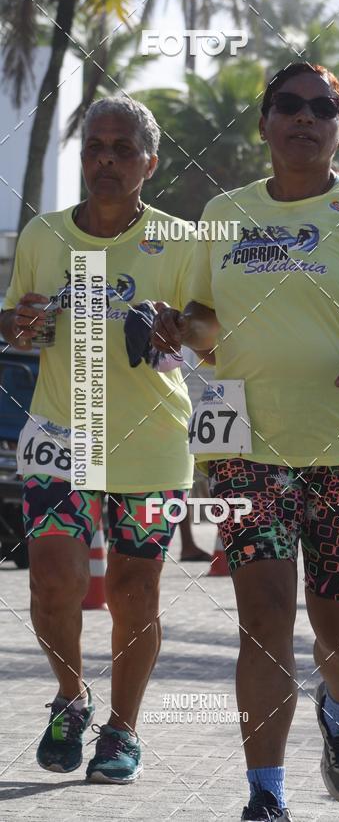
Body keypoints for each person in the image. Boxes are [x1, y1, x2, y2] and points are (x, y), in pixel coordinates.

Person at [153, 62, 339, 821]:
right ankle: (265, 795)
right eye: (289, 105)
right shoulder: (223, 214)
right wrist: (175, 329)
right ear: (264, 122)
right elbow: (201, 321)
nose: (305, 117)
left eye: (324, 108)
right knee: (262, 623)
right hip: (247, 450)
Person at [0, 96, 217, 784]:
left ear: (149, 165)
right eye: (96, 146)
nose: (106, 160)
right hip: (60, 432)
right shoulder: (43, 235)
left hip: (150, 442)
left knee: (134, 591)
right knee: (52, 586)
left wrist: (178, 326)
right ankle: (71, 699)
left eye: (124, 150)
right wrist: (17, 325)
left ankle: (123, 730)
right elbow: (15, 322)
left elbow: (213, 336)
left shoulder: (180, 241)